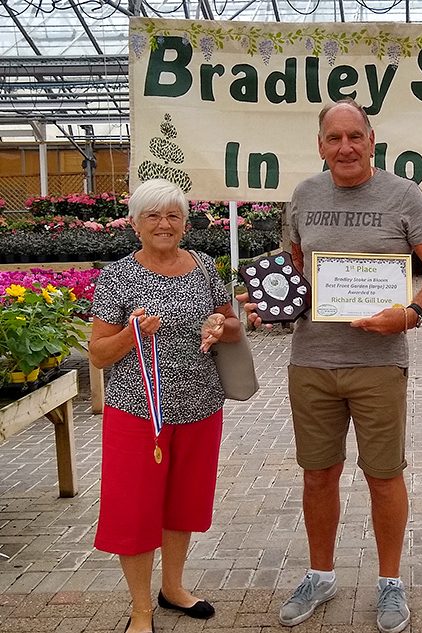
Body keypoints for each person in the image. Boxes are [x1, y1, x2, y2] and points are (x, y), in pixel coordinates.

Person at [239, 98, 422, 633]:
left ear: (372, 139)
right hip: (311, 360)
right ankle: (321, 574)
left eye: (354, 136)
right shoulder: (304, 195)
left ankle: (389, 584)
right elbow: (291, 271)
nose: (345, 147)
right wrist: (268, 304)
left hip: (379, 364)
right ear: (320, 146)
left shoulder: (404, 195)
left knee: (384, 476)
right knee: (317, 475)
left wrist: (409, 315)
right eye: (334, 139)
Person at [90, 178, 242, 633]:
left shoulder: (202, 267)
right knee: (134, 510)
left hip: (199, 407)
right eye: (153, 215)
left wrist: (222, 325)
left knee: (183, 504)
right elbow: (98, 353)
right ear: (135, 224)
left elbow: (231, 325)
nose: (164, 223)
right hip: (137, 413)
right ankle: (140, 608)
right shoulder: (117, 275)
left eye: (173, 215)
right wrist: (132, 334)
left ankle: (173, 588)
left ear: (185, 223)